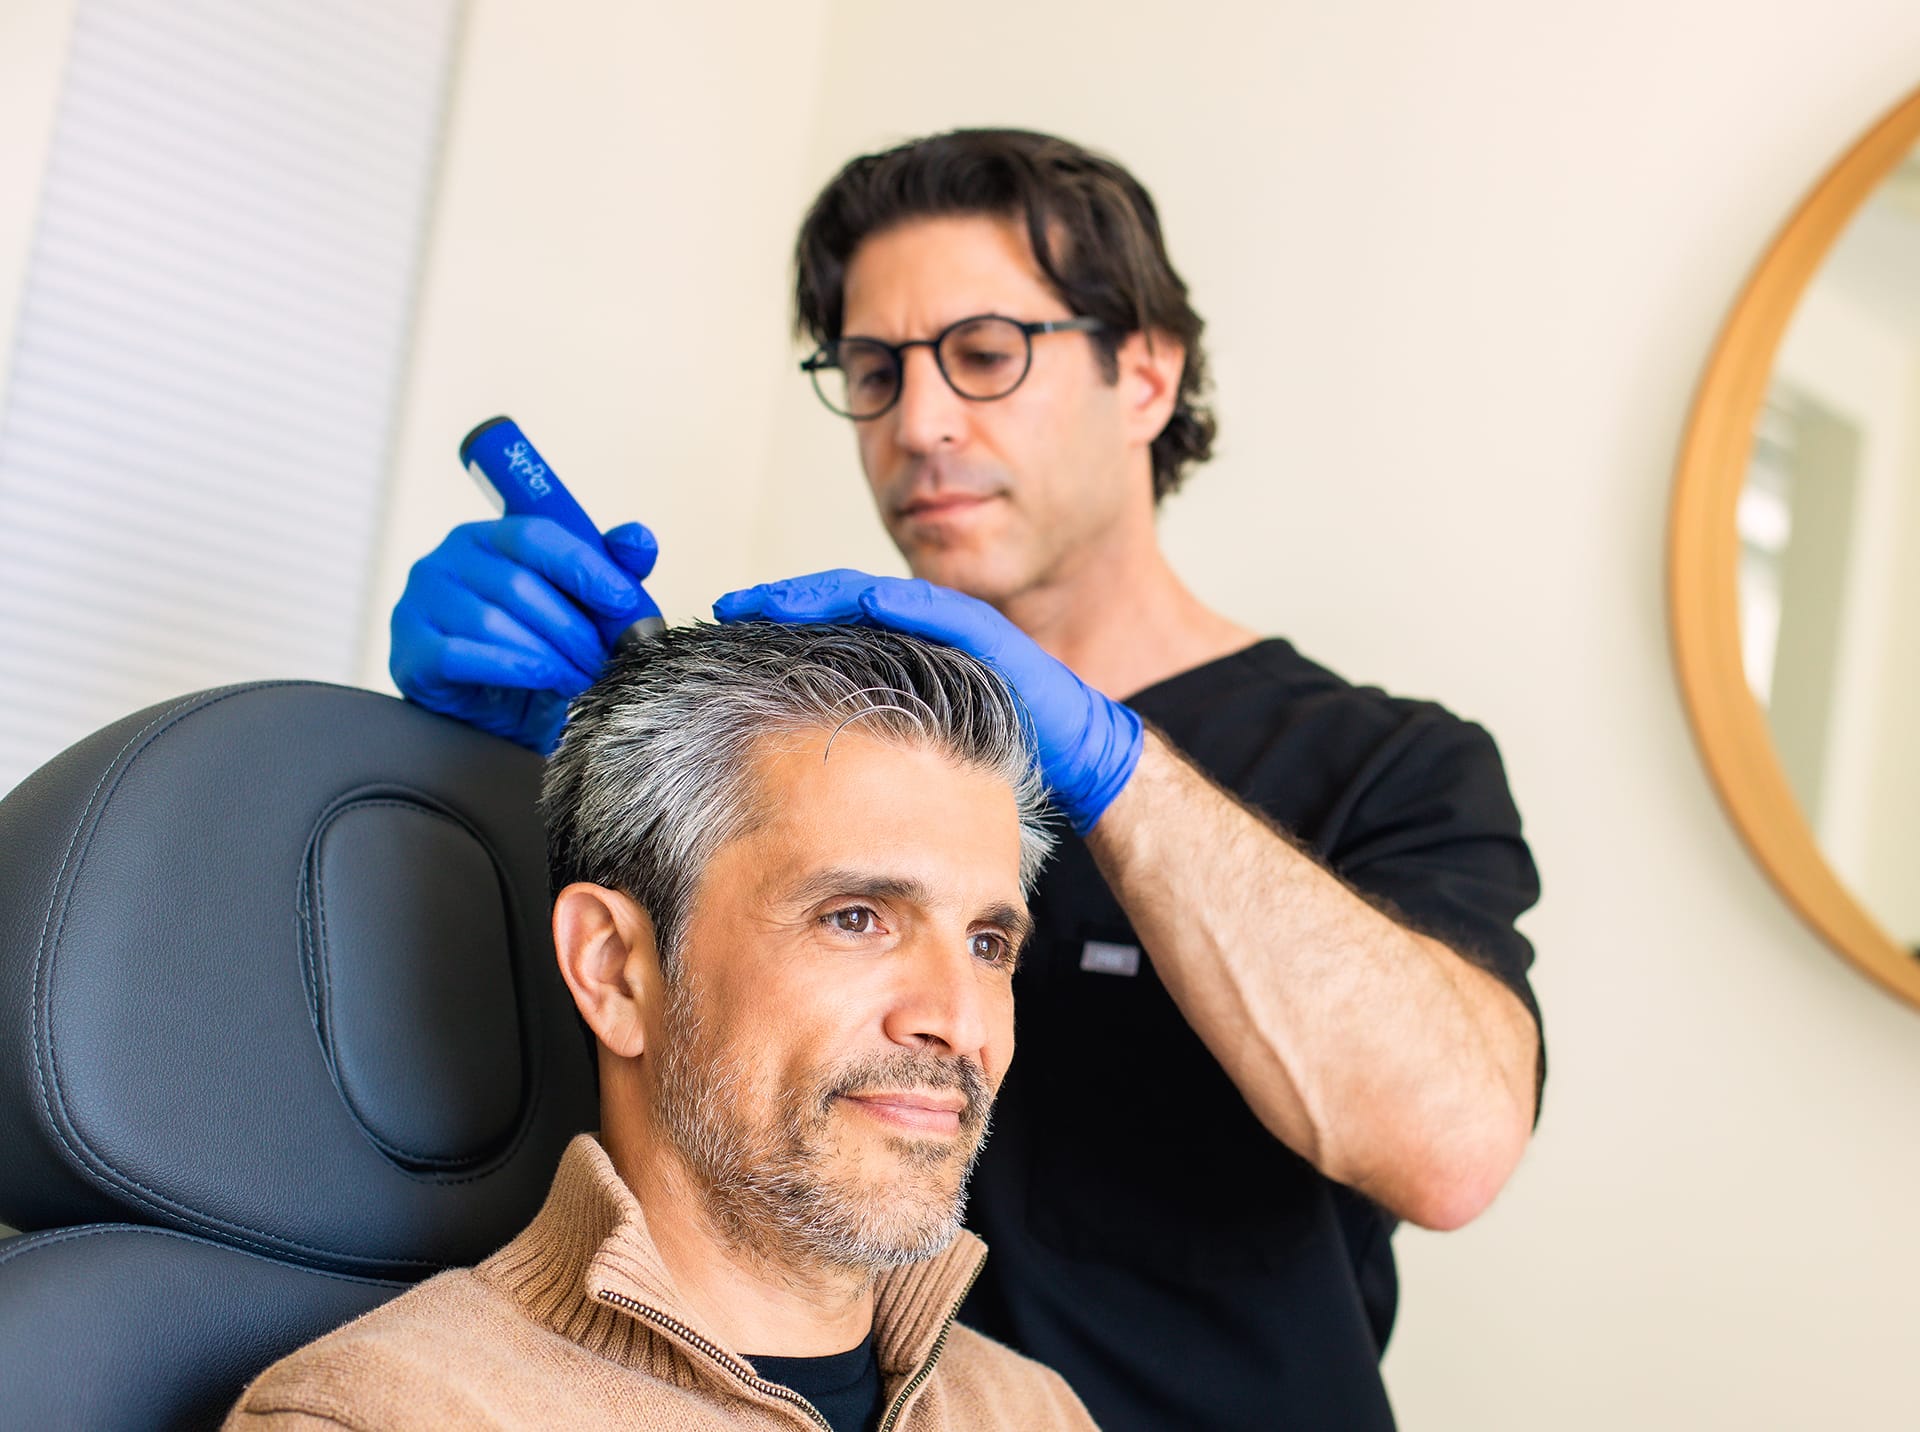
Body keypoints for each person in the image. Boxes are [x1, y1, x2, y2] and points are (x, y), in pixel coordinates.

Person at [388, 129, 1545, 1431]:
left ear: (1146, 376)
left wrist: (1117, 774)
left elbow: (1452, 1146)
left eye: (986, 356)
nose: (921, 422)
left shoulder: (1382, 764)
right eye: (874, 371)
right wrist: (503, 758)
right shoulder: (810, 746)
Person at [226, 622, 1098, 1432]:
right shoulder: (386, 1417)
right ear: (614, 969)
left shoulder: (1033, 1411)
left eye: (989, 943)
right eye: (856, 918)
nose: (956, 1020)